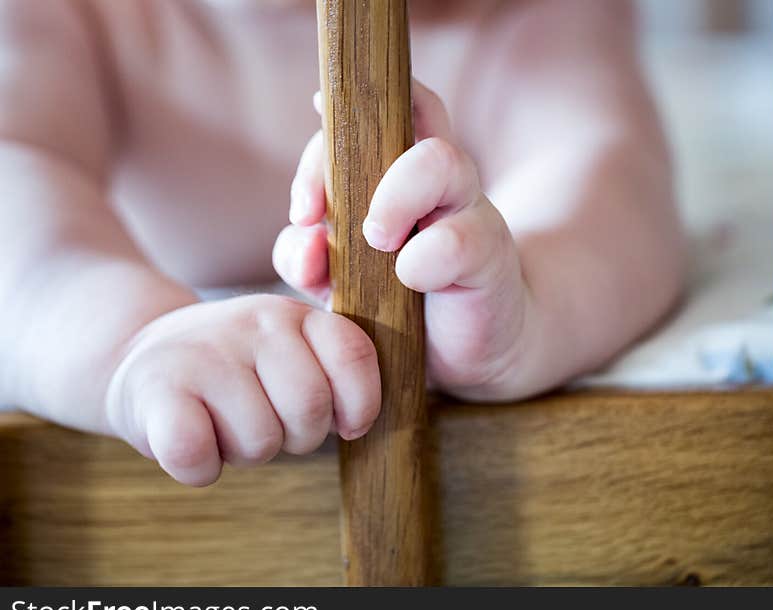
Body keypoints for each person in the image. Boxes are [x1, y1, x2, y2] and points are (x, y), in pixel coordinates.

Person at [0, 0, 683, 485]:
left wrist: (527, 299)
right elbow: (17, 178)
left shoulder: (520, 15)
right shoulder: (65, 15)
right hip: (149, 292)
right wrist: (134, 342)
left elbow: (608, 169)